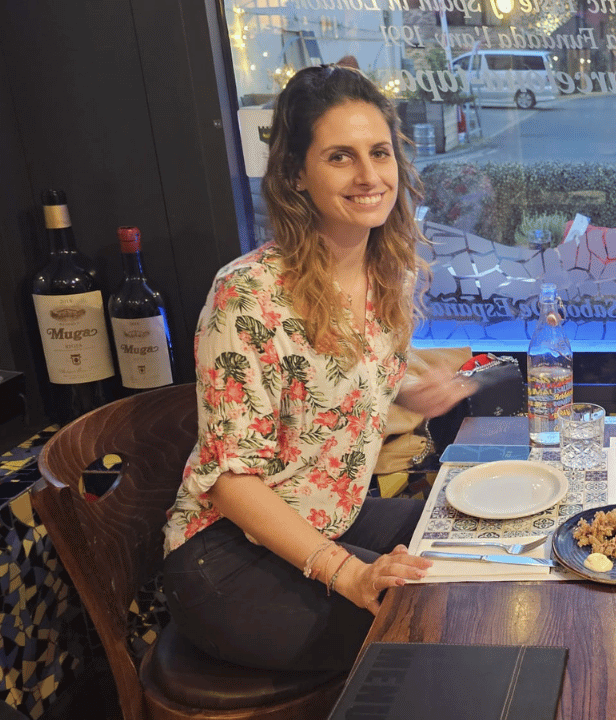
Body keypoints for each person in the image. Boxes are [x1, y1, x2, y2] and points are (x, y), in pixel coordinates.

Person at [162, 64, 474, 673]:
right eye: (339, 157)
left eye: (379, 152)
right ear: (295, 175)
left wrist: (412, 388)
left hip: (334, 514)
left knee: (482, 544)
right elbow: (229, 479)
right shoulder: (247, 295)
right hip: (224, 557)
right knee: (434, 623)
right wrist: (349, 573)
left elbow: (333, 375)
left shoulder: (384, 274)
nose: (369, 176)